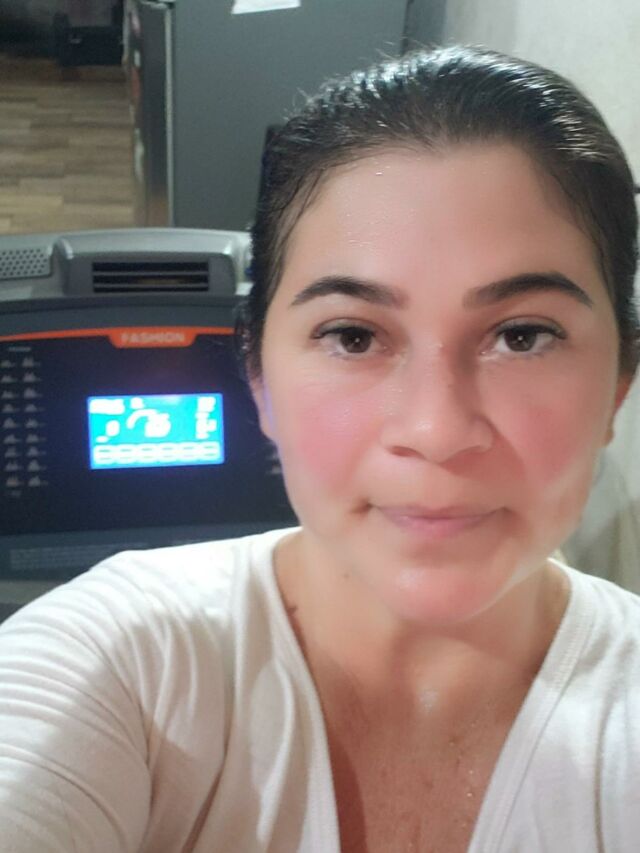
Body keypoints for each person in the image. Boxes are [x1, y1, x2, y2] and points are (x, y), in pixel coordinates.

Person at [1, 44, 639, 853]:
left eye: (522, 335)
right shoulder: (121, 659)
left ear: (619, 382)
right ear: (257, 378)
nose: (437, 429)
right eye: (353, 335)